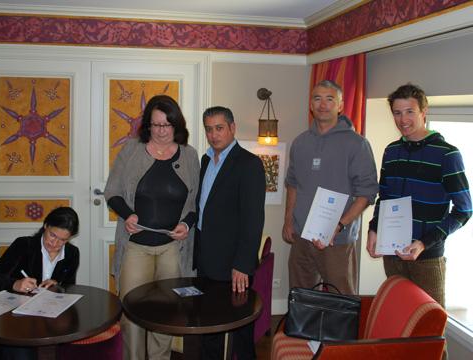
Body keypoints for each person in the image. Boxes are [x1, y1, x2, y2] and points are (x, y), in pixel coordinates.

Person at [104, 94, 199, 360]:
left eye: (167, 125)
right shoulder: (132, 150)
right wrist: (128, 214)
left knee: (167, 311)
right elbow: (112, 191)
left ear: (176, 125)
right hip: (136, 247)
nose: (162, 131)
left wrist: (185, 224)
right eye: (156, 125)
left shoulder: (189, 155)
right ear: (148, 125)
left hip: (173, 248)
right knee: (132, 310)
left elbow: (195, 203)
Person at [367, 83, 472, 308]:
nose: (403, 119)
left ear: (424, 112)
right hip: (392, 254)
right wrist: (373, 228)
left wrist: (425, 243)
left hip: (428, 258)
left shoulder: (448, 154)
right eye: (397, 112)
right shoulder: (391, 151)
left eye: (410, 111)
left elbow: (464, 210)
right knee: (397, 319)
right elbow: (384, 197)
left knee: (429, 330)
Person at [282, 80, 378, 295]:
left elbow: (367, 193)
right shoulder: (300, 142)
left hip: (338, 241)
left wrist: (339, 225)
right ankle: (303, 330)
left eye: (329, 99)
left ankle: (338, 331)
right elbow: (293, 184)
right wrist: (288, 220)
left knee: (340, 299)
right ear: (311, 104)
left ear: (340, 106)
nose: (323, 104)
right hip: (301, 237)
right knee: (300, 296)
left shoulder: (357, 144)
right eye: (317, 98)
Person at [194, 106, 265, 359]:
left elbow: (253, 220)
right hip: (206, 259)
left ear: (232, 128)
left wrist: (243, 264)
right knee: (209, 325)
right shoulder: (205, 161)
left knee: (241, 330)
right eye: (209, 129)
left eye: (219, 128)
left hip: (234, 263)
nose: (214, 135)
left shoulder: (249, 164)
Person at [0, 206, 80, 360]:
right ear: (45, 226)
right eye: (52, 235)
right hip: (16, 319)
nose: (55, 243)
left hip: (50, 319)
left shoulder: (72, 254)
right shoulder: (23, 245)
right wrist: (14, 284)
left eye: (63, 240)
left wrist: (58, 285)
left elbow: (69, 286)